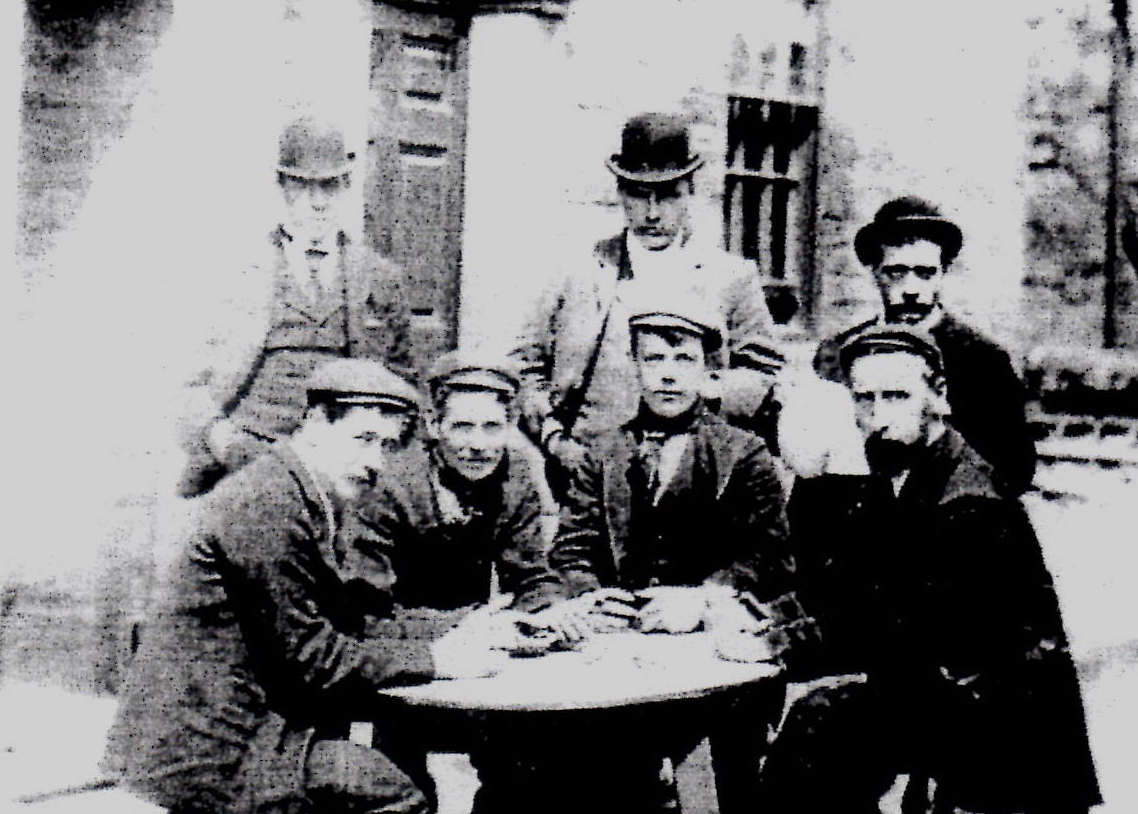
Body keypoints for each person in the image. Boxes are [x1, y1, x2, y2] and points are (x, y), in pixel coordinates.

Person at [763, 328, 1100, 814]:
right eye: (864, 400)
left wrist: (784, 646)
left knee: (826, 734)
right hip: (945, 685)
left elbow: (900, 633)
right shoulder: (899, 476)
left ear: (935, 400)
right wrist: (775, 624)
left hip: (1005, 715)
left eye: (895, 396)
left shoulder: (964, 498)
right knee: (814, 722)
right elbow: (854, 596)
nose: (878, 414)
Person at [106, 358, 512, 814]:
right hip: (215, 745)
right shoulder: (270, 503)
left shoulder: (308, 492)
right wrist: (436, 661)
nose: (374, 462)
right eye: (363, 439)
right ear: (316, 422)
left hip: (248, 724)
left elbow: (352, 619)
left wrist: (459, 626)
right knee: (401, 796)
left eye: (386, 446)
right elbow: (315, 657)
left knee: (368, 773)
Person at [523, 299, 803, 814]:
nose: (669, 374)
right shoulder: (602, 453)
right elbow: (574, 550)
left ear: (712, 374)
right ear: (635, 368)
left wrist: (701, 601)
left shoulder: (746, 456)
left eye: (685, 359)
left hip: (715, 661)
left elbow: (767, 562)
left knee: (718, 761)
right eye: (654, 358)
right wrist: (587, 597)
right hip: (620, 656)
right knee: (571, 753)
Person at [510, 112, 782, 496]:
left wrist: (706, 388)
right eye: (639, 195)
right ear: (620, 193)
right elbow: (523, 367)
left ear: (690, 191)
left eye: (669, 195)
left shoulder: (730, 278)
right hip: (586, 477)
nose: (652, 214)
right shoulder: (577, 273)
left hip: (695, 482)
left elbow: (764, 377)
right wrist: (555, 439)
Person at [176, 116, 416, 496]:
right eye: (304, 187)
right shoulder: (236, 271)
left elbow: (404, 384)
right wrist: (224, 442)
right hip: (249, 452)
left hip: (343, 461)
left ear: (347, 186)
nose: (318, 202)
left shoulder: (380, 276)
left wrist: (375, 446)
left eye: (330, 186)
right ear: (282, 187)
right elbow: (187, 384)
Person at [815, 196, 1036, 495]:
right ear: (874, 272)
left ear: (943, 272)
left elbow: (1014, 469)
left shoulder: (983, 359)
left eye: (925, 273)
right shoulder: (840, 353)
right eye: (896, 272)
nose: (911, 289)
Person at [340, 353, 563, 618]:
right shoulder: (390, 486)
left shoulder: (514, 475)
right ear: (434, 425)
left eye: (492, 427)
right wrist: (469, 624)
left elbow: (530, 574)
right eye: (463, 427)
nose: (479, 445)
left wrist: (551, 611)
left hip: (470, 630)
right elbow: (368, 607)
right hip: (397, 639)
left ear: (511, 425)